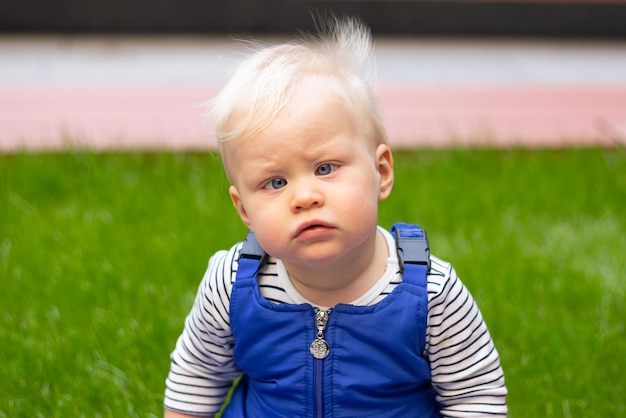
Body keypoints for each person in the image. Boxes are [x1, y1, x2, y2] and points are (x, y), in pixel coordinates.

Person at [164, 17, 507, 417]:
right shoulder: (231, 284)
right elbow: (197, 379)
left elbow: (475, 398)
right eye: (275, 182)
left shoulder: (432, 294)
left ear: (381, 172)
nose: (305, 196)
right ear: (244, 210)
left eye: (325, 168)